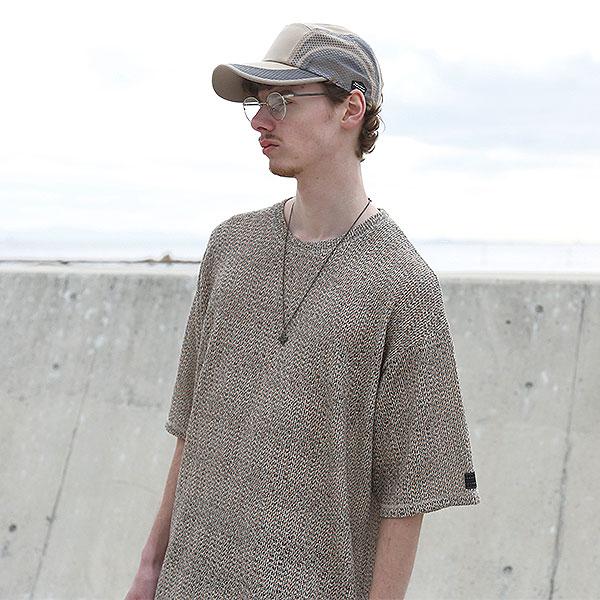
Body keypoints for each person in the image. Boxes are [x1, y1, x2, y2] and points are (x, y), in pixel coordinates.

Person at [126, 22, 480, 600]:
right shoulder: (230, 247)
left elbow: (409, 492)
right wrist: (149, 568)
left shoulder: (402, 283)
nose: (261, 121)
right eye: (259, 103)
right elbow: (192, 426)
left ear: (351, 109)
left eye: (283, 101)